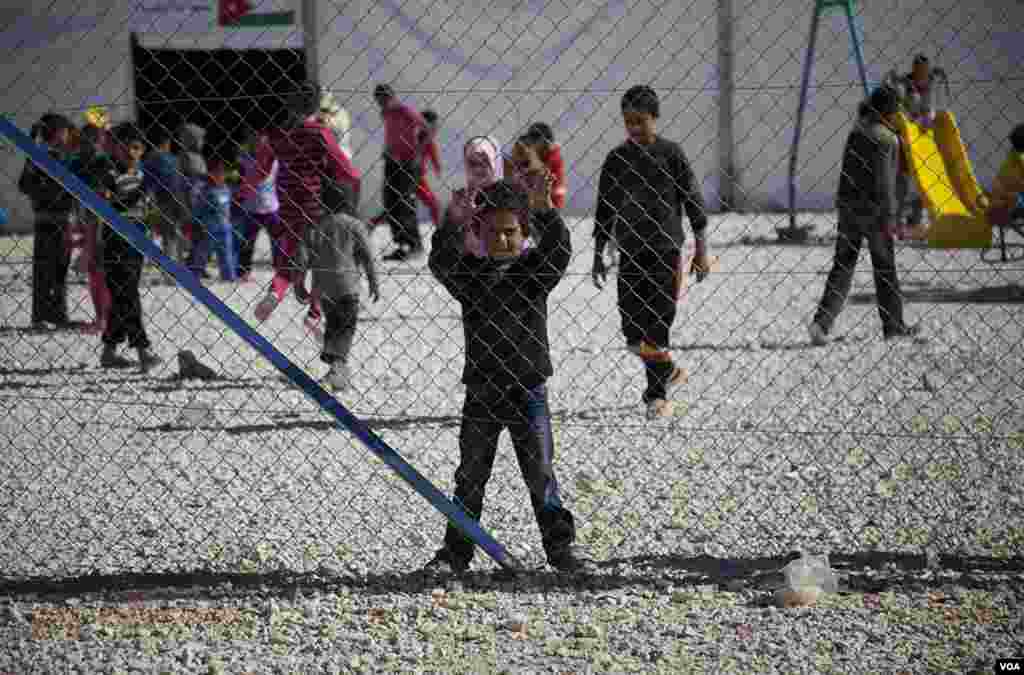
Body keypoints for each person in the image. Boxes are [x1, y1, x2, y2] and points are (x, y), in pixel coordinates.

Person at [424, 177, 591, 576]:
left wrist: (546, 210)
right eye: (493, 232)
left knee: (542, 475)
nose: (502, 240)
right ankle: (456, 552)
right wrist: (453, 222)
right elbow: (440, 263)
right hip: (482, 392)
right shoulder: (470, 276)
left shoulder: (534, 274)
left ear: (525, 233)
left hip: (528, 389)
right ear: (479, 233)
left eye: (511, 232)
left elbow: (559, 252)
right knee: (470, 477)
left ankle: (560, 550)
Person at [591, 85, 711, 419]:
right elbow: (605, 209)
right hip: (631, 253)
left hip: (665, 252)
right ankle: (668, 370)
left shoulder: (671, 154)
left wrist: (701, 251)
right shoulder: (617, 160)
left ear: (655, 118)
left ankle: (656, 396)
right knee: (633, 334)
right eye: (627, 121)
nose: (633, 128)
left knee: (657, 325)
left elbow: (694, 204)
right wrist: (598, 253)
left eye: (640, 121)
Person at [809, 86, 921, 347]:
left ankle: (821, 323)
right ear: (889, 112)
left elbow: (846, 173)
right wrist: (892, 217)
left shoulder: (856, 133)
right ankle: (893, 326)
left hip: (849, 208)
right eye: (898, 110)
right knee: (885, 269)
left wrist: (843, 203)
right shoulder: (888, 140)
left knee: (843, 265)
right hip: (876, 213)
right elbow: (885, 184)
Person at [254, 81, 362, 324]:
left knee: (288, 257)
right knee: (322, 261)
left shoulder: (275, 134)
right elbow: (346, 169)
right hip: (315, 205)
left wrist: (246, 189)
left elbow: (261, 171)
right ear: (316, 104)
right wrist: (351, 181)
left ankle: (275, 292)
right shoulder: (319, 132)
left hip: (288, 204)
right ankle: (314, 312)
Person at [299, 179, 380, 391]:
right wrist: (373, 281)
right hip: (348, 287)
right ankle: (337, 367)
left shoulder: (316, 226)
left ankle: (336, 367)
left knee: (334, 324)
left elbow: (301, 257)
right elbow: (368, 256)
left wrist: (299, 284)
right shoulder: (354, 225)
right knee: (345, 328)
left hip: (325, 289)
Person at [97, 122, 162, 371]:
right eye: (126, 147)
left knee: (124, 294)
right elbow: (109, 207)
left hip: (138, 237)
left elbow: (148, 211)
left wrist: (153, 235)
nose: (131, 153)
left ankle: (109, 351)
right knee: (128, 294)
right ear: (115, 148)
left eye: (136, 148)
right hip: (116, 237)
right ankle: (143, 349)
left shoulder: (142, 175)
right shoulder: (110, 174)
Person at [18, 113, 76, 328]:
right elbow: (25, 184)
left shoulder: (53, 156)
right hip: (52, 219)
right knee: (50, 269)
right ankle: (47, 315)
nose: (69, 135)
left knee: (54, 268)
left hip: (54, 219)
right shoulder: (45, 156)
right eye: (66, 131)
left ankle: (52, 314)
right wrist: (49, 191)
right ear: (59, 132)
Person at [374, 83, 428, 261]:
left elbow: (426, 127)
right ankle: (402, 244)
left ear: (391, 97)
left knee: (405, 202)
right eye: (378, 100)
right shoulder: (386, 113)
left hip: (407, 163)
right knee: (391, 203)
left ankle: (414, 245)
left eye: (384, 99)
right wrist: (388, 149)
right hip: (392, 161)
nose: (381, 103)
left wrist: (416, 151)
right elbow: (393, 134)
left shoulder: (404, 110)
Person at [67, 123, 113, 333]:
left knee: (100, 271)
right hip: (89, 218)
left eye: (94, 140)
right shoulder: (78, 162)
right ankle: (102, 317)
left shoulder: (103, 162)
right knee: (96, 271)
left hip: (101, 220)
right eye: (88, 140)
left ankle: (105, 318)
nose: (91, 144)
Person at [443, 135, 503, 256]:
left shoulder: (508, 196)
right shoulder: (459, 198)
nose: (478, 169)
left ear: (495, 161)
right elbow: (440, 259)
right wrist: (460, 221)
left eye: (485, 162)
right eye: (472, 163)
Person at [235, 126, 281, 281]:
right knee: (247, 242)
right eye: (254, 139)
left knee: (278, 242)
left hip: (271, 207)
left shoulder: (275, 160)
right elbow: (239, 180)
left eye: (261, 140)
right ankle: (243, 272)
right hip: (251, 208)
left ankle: (281, 271)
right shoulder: (244, 159)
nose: (258, 143)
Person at [187, 157, 237, 281]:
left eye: (222, 173)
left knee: (226, 253)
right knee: (202, 253)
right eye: (216, 173)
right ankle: (195, 274)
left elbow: (229, 208)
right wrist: (197, 221)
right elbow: (198, 209)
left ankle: (228, 276)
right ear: (211, 174)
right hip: (209, 228)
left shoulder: (226, 189)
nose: (220, 176)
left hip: (225, 227)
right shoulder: (206, 190)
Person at [142, 128, 186, 263]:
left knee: (166, 234)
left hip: (161, 199)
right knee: (174, 233)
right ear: (167, 142)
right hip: (177, 198)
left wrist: (148, 197)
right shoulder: (174, 159)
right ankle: (176, 264)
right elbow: (180, 180)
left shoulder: (150, 159)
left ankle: (169, 266)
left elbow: (147, 181)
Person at [176, 123, 208, 273]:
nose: (202, 143)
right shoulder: (186, 156)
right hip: (191, 199)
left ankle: (198, 263)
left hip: (201, 198)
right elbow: (186, 179)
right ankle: (194, 264)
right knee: (195, 234)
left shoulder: (199, 157)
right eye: (200, 139)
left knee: (201, 235)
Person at [982, 123, 1024, 227]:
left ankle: (1001, 208)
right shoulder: (1017, 160)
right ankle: (1002, 209)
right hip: (1011, 199)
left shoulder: (1014, 156)